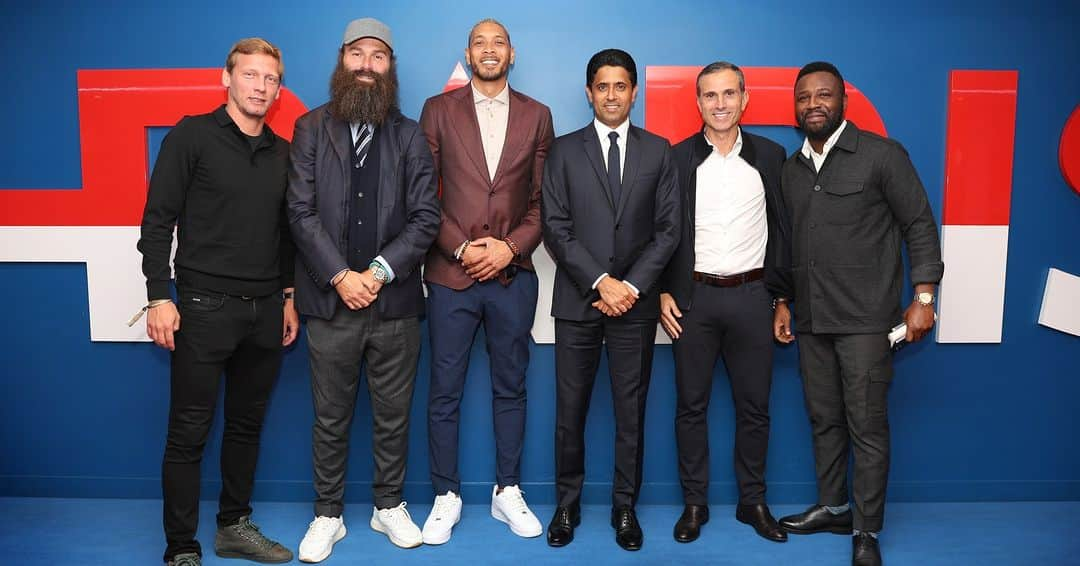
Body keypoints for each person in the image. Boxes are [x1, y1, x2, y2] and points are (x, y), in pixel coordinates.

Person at [773, 61, 943, 566]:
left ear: (843, 99)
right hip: (811, 320)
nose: (813, 105)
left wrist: (924, 297)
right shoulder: (790, 169)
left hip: (868, 323)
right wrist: (781, 300)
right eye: (803, 98)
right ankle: (833, 506)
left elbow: (919, 225)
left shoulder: (881, 156)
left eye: (823, 95)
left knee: (866, 427)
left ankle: (866, 531)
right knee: (824, 419)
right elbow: (787, 245)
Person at [137, 37, 296, 566]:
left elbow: (287, 234)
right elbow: (157, 221)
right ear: (226, 79)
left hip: (266, 309)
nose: (260, 86)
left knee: (247, 426)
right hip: (202, 307)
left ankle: (234, 526)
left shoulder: (283, 152)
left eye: (270, 79)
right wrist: (160, 295)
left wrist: (289, 298)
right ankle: (181, 546)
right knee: (189, 430)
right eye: (250, 75)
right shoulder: (192, 136)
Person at [287, 17, 440, 560]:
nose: (367, 66)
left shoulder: (408, 133)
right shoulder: (310, 129)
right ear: (342, 59)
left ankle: (387, 506)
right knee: (330, 418)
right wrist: (339, 277)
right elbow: (300, 213)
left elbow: (426, 218)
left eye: (378, 56)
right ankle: (328, 514)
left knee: (393, 415)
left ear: (390, 67)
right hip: (330, 304)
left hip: (394, 305)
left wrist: (374, 274)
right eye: (358, 54)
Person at [417, 18, 554, 544]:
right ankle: (446, 494)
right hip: (450, 275)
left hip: (512, 277)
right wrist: (460, 247)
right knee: (444, 392)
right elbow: (424, 196)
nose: (489, 50)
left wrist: (509, 249)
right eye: (480, 43)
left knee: (511, 388)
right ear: (468, 54)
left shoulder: (538, 116)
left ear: (511, 54)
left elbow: (543, 203)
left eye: (498, 42)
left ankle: (507, 491)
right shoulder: (437, 110)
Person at [541, 48, 681, 551]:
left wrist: (630, 287)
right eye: (602, 86)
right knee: (569, 412)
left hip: (636, 307)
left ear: (635, 91)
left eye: (621, 86)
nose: (612, 95)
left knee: (631, 413)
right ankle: (567, 503)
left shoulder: (659, 151)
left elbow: (668, 231)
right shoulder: (562, 150)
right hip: (580, 302)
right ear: (589, 92)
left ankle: (625, 507)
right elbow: (556, 229)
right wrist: (602, 282)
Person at [659, 61, 789, 544]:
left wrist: (782, 298)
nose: (720, 104)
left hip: (754, 298)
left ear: (745, 98)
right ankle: (695, 504)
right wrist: (663, 292)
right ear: (698, 103)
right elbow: (661, 234)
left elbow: (785, 233)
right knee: (690, 407)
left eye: (729, 94)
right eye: (710, 96)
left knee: (754, 408)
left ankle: (752, 502)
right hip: (694, 301)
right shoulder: (675, 159)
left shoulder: (772, 156)